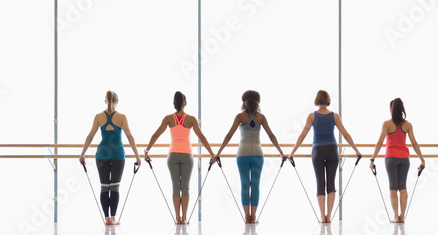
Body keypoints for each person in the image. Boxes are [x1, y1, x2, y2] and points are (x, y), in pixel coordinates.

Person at [288, 90, 361, 223]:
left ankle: (323, 216)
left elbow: (302, 135)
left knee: (320, 184)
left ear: (317, 100)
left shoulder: (312, 116)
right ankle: (329, 215)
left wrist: (292, 153)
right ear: (327, 100)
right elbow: (346, 134)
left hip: (318, 151)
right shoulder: (334, 116)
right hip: (332, 149)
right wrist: (356, 150)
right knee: (331, 184)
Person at [145, 91, 216, 225]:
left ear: (174, 104)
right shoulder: (191, 119)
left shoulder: (168, 118)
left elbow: (156, 135)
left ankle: (178, 218)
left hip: (172, 155)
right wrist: (212, 154)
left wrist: (147, 150)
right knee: (185, 187)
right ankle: (184, 218)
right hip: (187, 155)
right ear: (185, 103)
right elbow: (202, 138)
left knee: (175, 187)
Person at [216, 90, 285, 224]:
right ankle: (253, 216)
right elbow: (271, 136)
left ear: (244, 102)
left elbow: (228, 136)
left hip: (242, 154)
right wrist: (282, 153)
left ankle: (246, 217)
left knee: (244, 185)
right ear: (258, 102)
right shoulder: (261, 117)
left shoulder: (239, 117)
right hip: (258, 155)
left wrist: (218, 153)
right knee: (255, 185)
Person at [80, 91, 141, 225]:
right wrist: (137, 155)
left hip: (101, 155)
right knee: (114, 187)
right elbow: (130, 136)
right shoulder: (122, 117)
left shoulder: (98, 117)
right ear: (117, 102)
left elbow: (90, 136)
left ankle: (107, 219)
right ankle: (113, 219)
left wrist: (82, 154)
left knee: (104, 187)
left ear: (105, 101)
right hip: (118, 155)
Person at [369, 98, 425, 223]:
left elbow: (379, 142)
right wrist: (422, 160)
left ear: (391, 110)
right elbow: (414, 144)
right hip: (404, 158)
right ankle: (402, 216)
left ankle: (396, 216)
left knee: (393, 188)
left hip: (390, 158)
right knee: (403, 187)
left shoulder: (386, 124)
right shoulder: (407, 125)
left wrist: (372, 159)